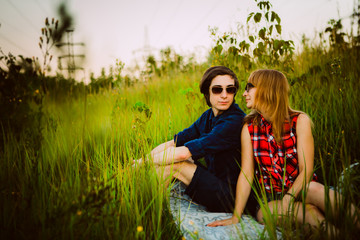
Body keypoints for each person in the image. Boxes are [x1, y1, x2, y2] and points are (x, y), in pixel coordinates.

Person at [207, 69, 359, 233]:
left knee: (314, 189)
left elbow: (306, 171)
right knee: (306, 213)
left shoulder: (300, 121)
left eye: (249, 87)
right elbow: (247, 173)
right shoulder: (249, 127)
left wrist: (289, 198)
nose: (244, 94)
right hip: (271, 199)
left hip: (301, 189)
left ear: (267, 89)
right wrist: (236, 216)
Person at [134, 66, 248, 212]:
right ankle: (145, 201)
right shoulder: (208, 115)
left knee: (175, 164)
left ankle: (152, 212)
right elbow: (174, 143)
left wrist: (141, 163)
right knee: (169, 159)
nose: (224, 95)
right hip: (215, 182)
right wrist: (142, 161)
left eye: (230, 89)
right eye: (217, 89)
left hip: (233, 197)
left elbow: (183, 154)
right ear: (207, 91)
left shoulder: (234, 120)